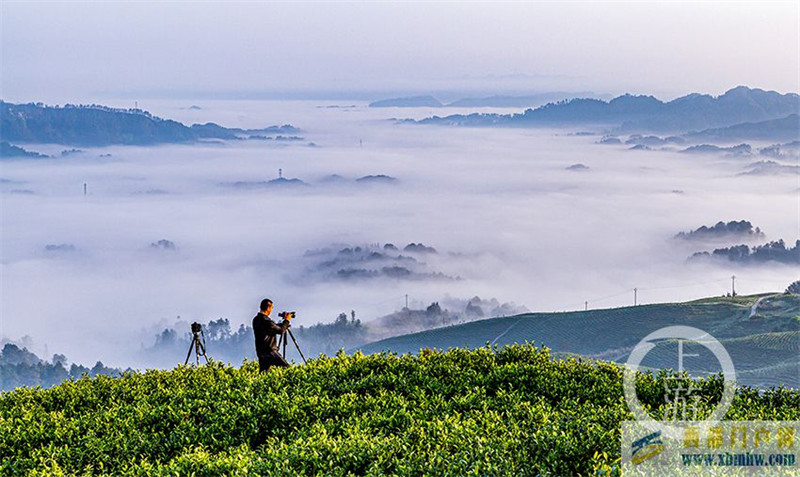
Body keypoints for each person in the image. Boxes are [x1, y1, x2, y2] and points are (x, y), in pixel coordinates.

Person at [252, 298, 291, 372]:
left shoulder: (256, 319)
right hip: (270, 352)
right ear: (268, 308)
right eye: (272, 308)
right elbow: (281, 330)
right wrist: (287, 321)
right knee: (287, 369)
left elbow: (270, 328)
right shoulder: (266, 320)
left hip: (261, 353)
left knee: (264, 374)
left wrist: (283, 324)